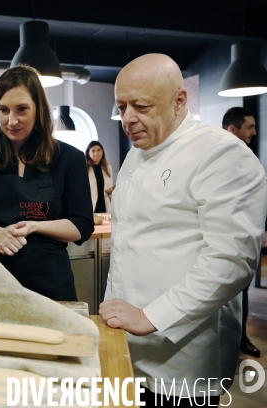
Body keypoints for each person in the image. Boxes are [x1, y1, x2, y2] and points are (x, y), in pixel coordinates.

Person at [99, 53, 267, 407]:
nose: (128, 119)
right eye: (122, 107)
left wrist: (150, 316)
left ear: (179, 101)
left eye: (141, 106)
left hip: (183, 356)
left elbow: (230, 261)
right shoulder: (136, 154)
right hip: (127, 340)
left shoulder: (221, 155)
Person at [0, 65, 94, 301]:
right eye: (3, 110)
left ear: (39, 110)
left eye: (22, 109)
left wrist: (34, 226)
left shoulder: (69, 158)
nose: (11, 121)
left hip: (50, 282)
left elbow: (82, 225)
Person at [222, 106, 261, 358]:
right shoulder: (217, 158)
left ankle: (240, 338)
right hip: (222, 239)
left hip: (242, 238)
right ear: (233, 129)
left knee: (241, 290)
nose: (255, 132)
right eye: (250, 127)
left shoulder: (248, 158)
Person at [85, 141, 114, 213]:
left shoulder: (107, 168)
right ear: (88, 153)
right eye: (93, 151)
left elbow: (108, 187)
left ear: (102, 151)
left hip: (104, 204)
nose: (96, 153)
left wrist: (111, 190)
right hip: (91, 204)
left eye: (98, 150)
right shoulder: (85, 169)